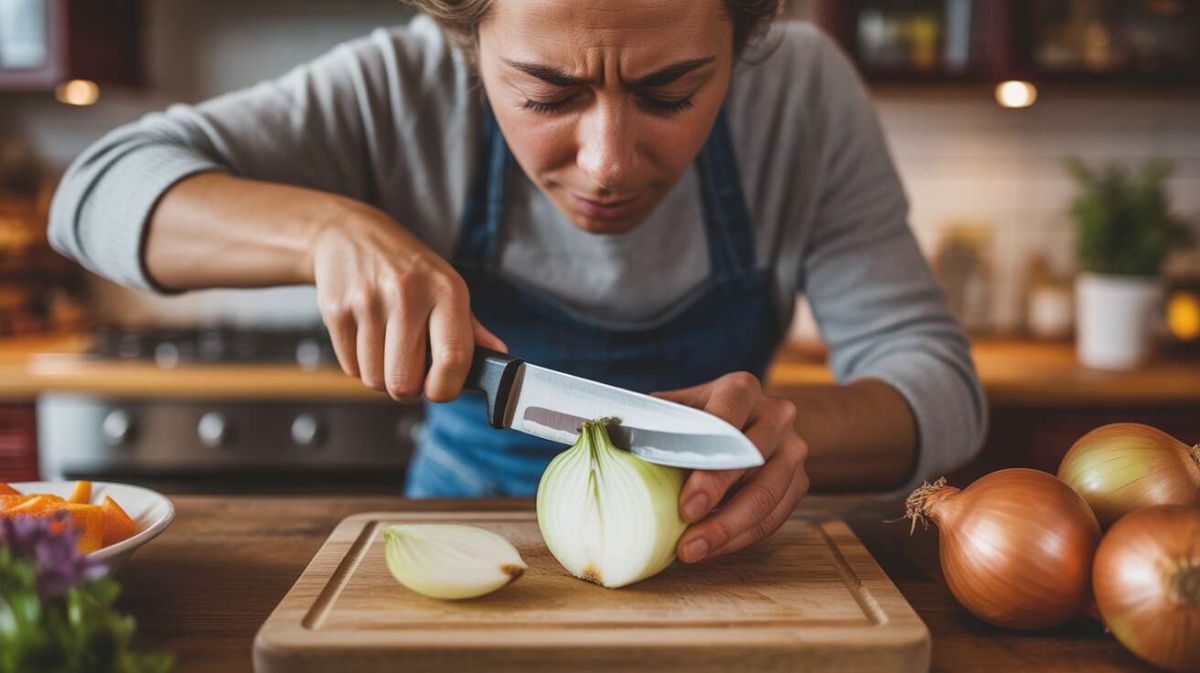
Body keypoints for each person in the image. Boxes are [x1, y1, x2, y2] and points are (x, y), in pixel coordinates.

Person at [49, 0, 986, 566]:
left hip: (716, 563)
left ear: (742, 44)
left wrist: (785, 436)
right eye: (547, 96)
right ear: (468, 46)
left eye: (671, 92)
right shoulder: (400, 88)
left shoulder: (806, 94)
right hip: (466, 544)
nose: (608, 161)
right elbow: (92, 193)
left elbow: (940, 387)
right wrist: (328, 227)